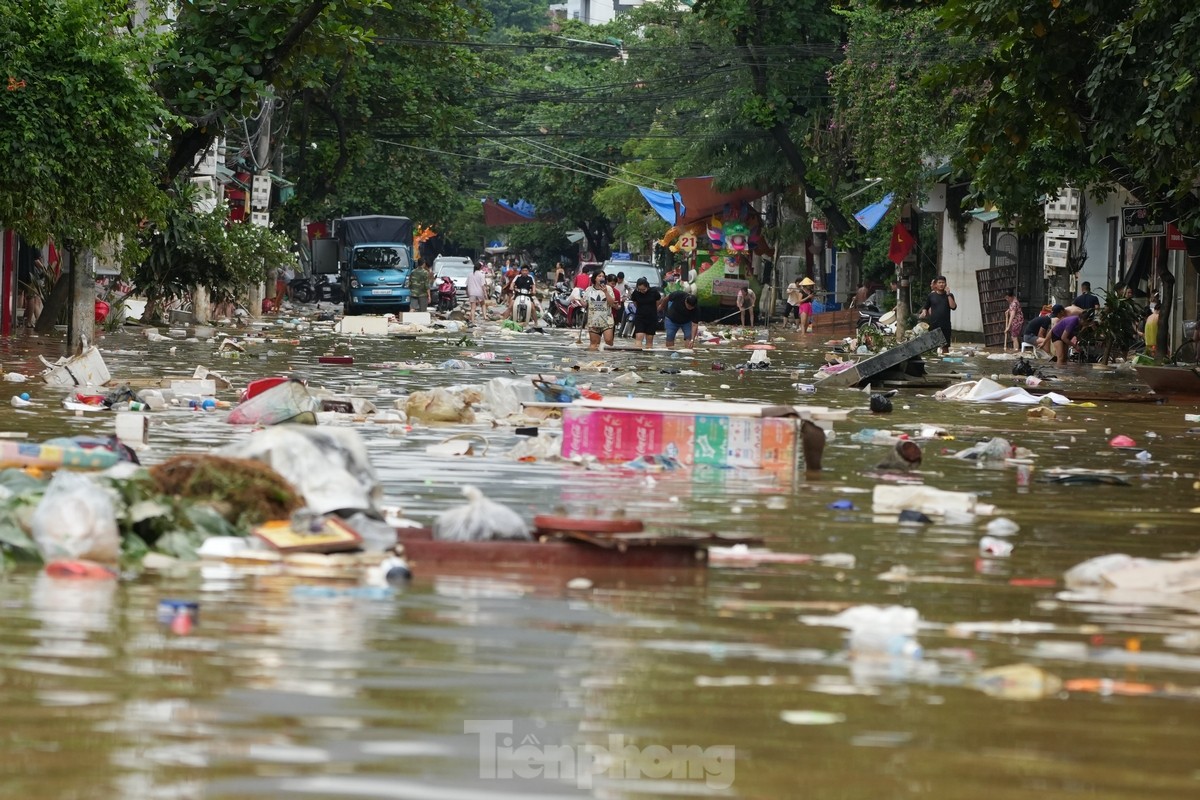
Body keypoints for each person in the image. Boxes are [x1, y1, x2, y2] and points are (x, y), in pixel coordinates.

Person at [920, 275, 957, 353]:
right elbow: (926, 306)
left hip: (945, 325)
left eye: (943, 282)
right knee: (932, 346)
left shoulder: (949, 295)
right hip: (934, 324)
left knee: (945, 346)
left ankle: (944, 364)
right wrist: (924, 311)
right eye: (939, 282)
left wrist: (948, 294)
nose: (941, 284)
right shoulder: (931, 296)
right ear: (936, 284)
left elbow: (953, 307)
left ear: (946, 284)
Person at [584, 270, 617, 350]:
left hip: (606, 319)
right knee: (594, 344)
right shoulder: (589, 290)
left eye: (603, 276)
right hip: (594, 320)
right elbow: (585, 304)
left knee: (608, 342)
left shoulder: (608, 288)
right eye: (599, 276)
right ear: (595, 278)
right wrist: (578, 298)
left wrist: (605, 292)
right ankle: (593, 361)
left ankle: (608, 361)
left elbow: (612, 303)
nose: (601, 278)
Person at [629, 277, 661, 349]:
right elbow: (635, 303)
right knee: (639, 336)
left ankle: (648, 356)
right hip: (640, 317)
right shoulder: (636, 293)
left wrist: (653, 309)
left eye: (643, 289)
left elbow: (658, 301)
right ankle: (638, 355)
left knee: (649, 339)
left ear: (647, 286)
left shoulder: (654, 292)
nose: (642, 291)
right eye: (640, 289)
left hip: (651, 317)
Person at [1003, 287, 1024, 352]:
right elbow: (1014, 309)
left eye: (1007, 298)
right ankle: (1016, 349)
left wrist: (1008, 327)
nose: (1007, 299)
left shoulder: (1013, 303)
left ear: (1010, 297)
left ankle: (1016, 350)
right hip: (1019, 320)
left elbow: (1012, 315)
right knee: (1015, 337)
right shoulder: (1014, 299)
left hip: (1017, 321)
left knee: (1014, 337)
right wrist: (1008, 310)